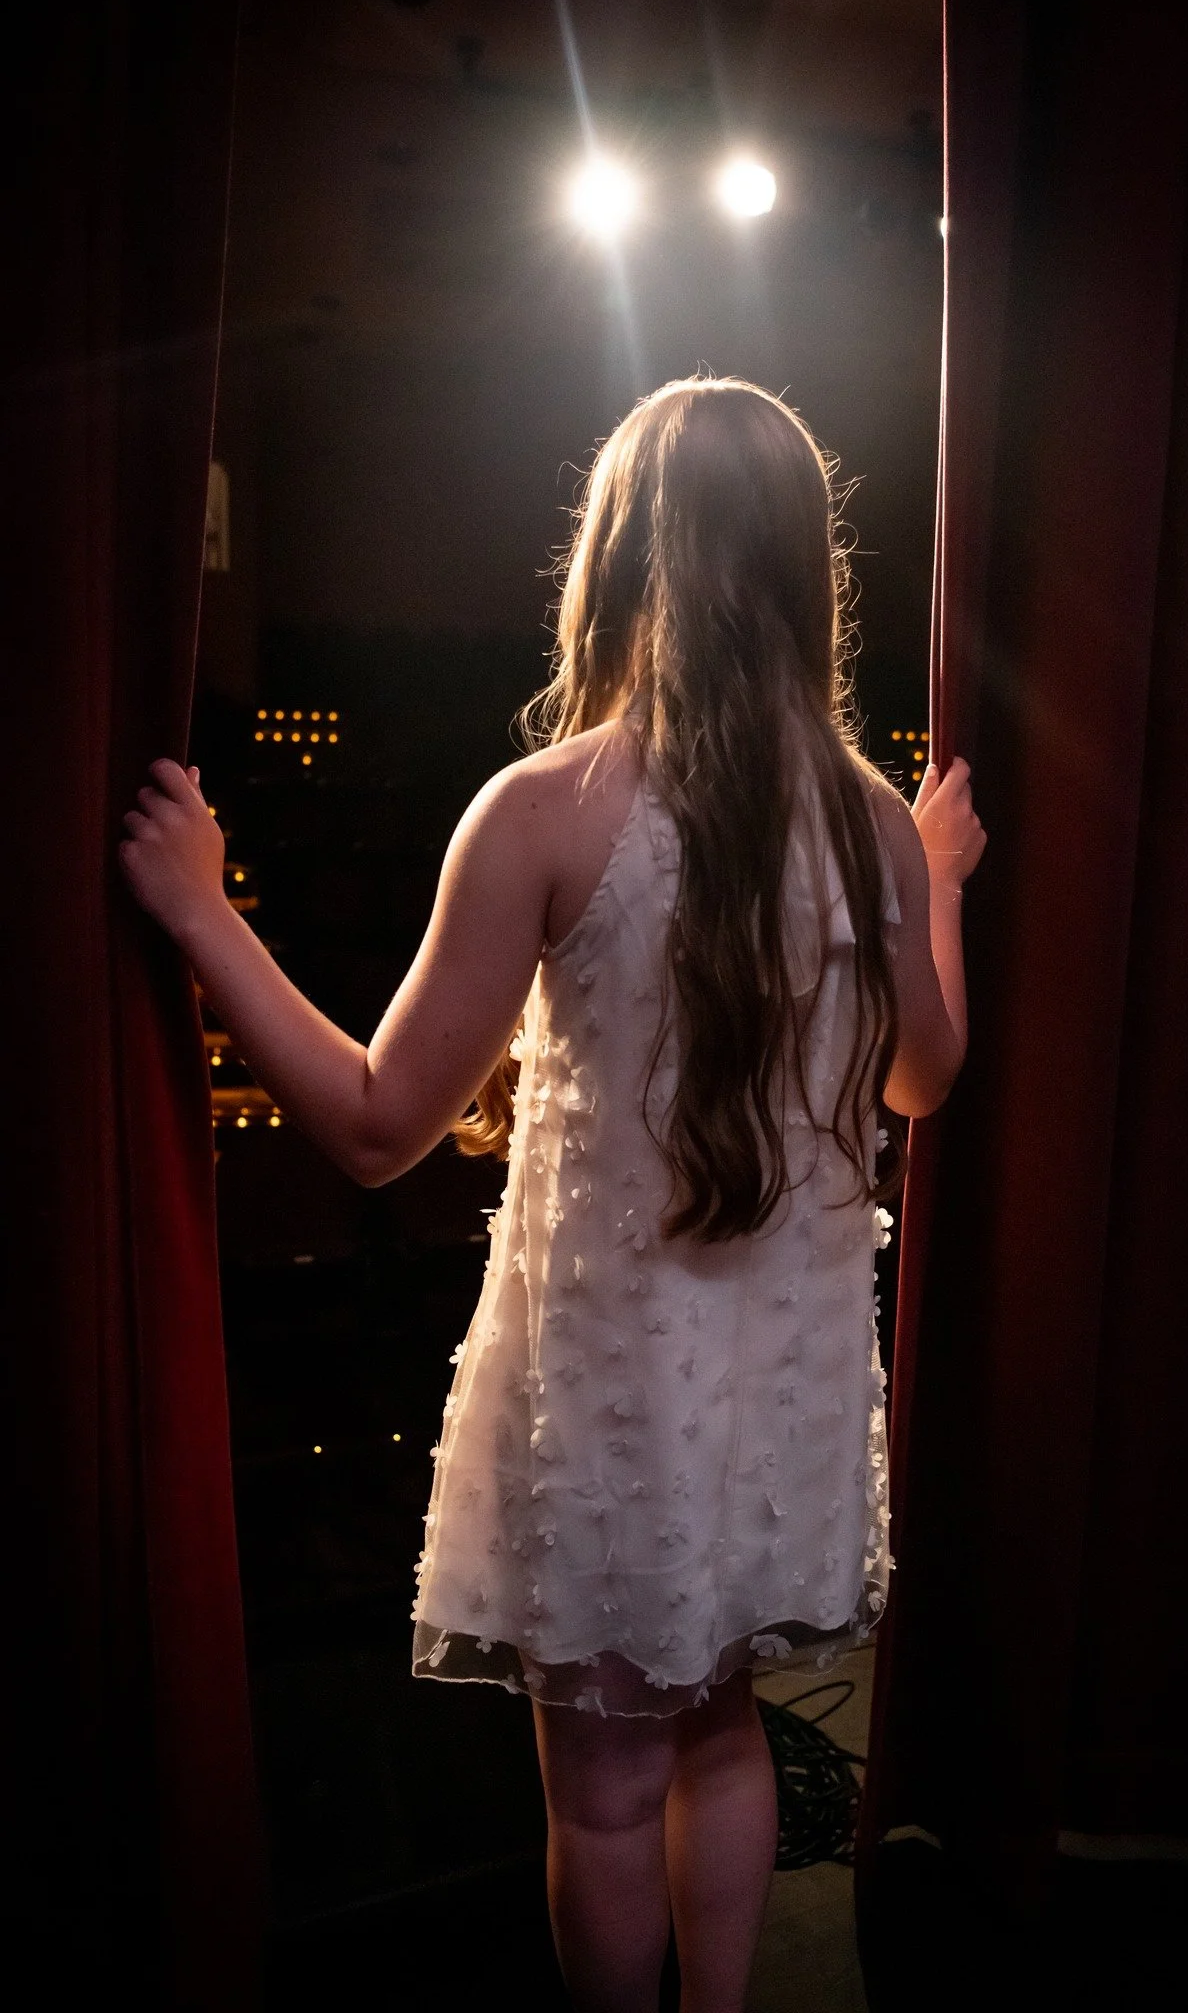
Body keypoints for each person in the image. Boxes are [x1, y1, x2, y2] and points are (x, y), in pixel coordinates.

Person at [120, 376, 985, 2013]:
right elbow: (924, 1084)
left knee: (600, 1792)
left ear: (619, 560)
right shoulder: (872, 823)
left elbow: (380, 1127)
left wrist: (200, 912)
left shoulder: (547, 810)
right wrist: (934, 890)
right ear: (809, 572)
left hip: (614, 1396)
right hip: (780, 1396)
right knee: (724, 1729)